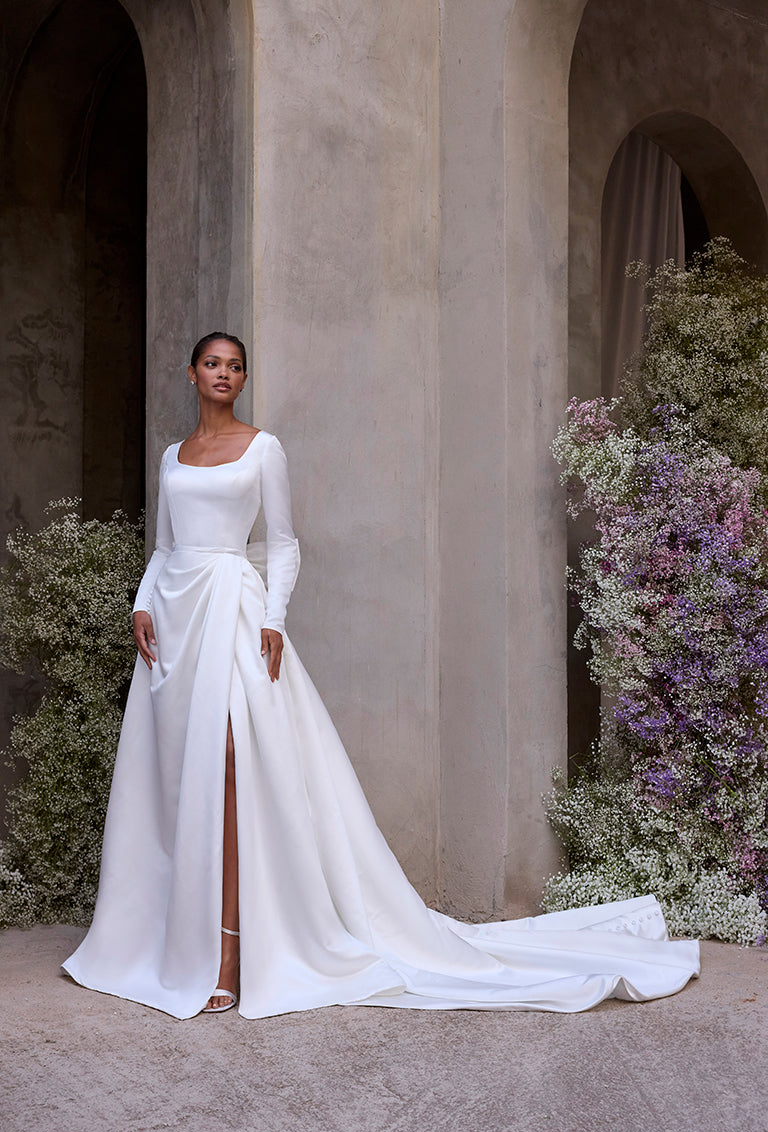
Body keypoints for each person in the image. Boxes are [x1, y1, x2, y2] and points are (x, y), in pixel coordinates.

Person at [63, 333, 700, 1019]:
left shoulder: (264, 448)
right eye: (213, 364)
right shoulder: (172, 457)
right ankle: (176, 940)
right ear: (191, 374)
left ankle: (231, 952)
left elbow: (282, 542)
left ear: (244, 378)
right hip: (173, 625)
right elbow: (163, 547)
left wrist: (273, 618)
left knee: (233, 764)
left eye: (235, 366)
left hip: (232, 610)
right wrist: (138, 603)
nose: (224, 374)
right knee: (178, 779)